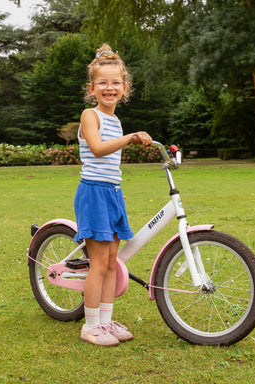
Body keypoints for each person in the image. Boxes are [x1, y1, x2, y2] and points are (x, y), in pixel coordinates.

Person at [73, 44, 152, 346]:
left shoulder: (116, 121)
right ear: (92, 88)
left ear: (125, 88)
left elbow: (111, 164)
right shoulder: (89, 116)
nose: (110, 88)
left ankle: (105, 322)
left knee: (110, 263)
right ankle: (90, 325)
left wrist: (117, 193)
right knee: (98, 263)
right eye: (103, 83)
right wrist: (130, 138)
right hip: (93, 194)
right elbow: (97, 149)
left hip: (111, 194)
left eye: (115, 82)